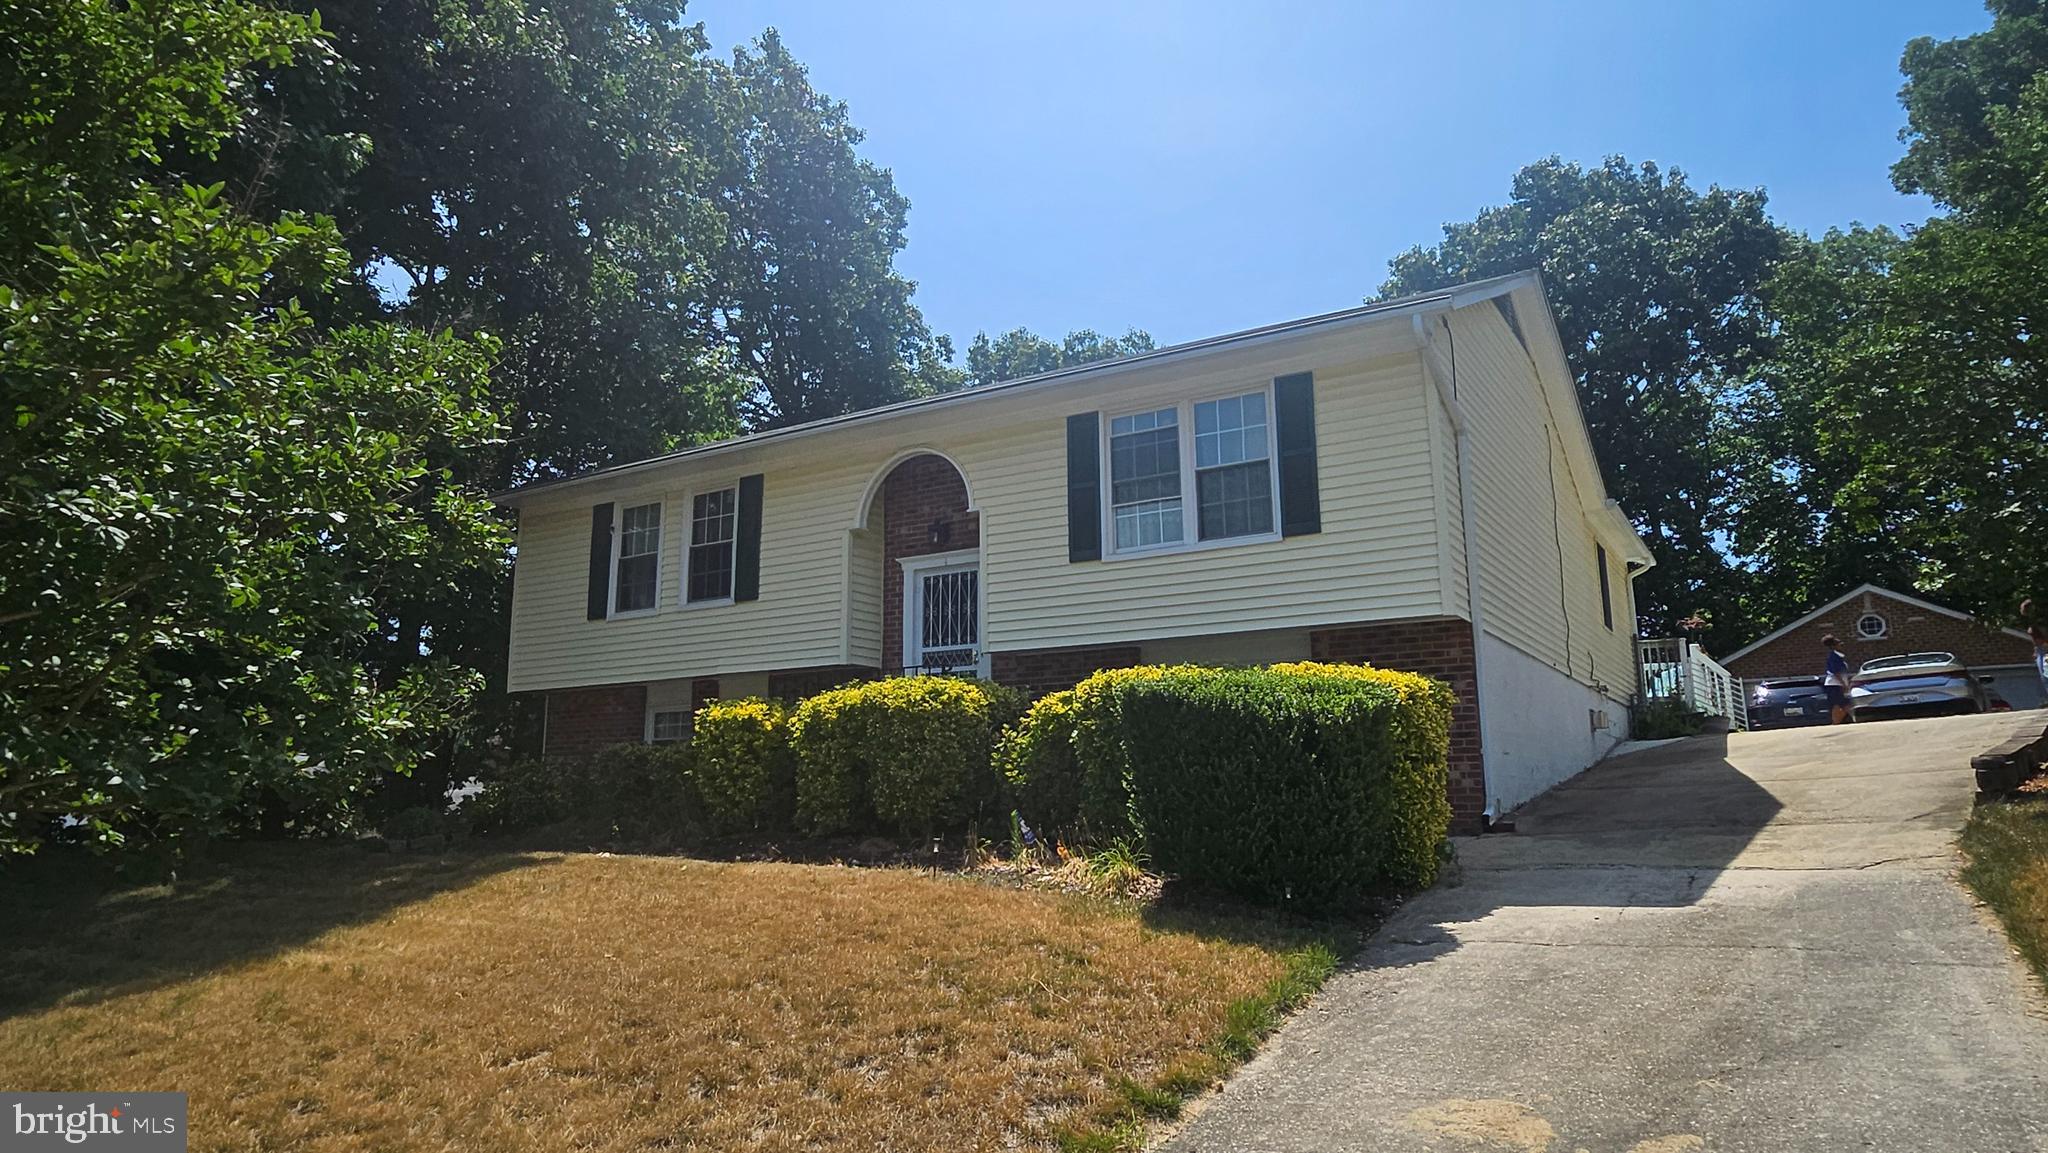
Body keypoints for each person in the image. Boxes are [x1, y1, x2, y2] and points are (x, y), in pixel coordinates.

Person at [1822, 634, 1854, 724]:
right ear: (1834, 646)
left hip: (1839, 684)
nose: (1842, 645)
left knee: (1840, 704)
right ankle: (1854, 719)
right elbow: (1835, 672)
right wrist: (1843, 684)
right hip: (1834, 684)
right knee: (1842, 704)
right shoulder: (1833, 657)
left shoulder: (1839, 656)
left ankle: (1835, 722)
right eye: (1839, 644)